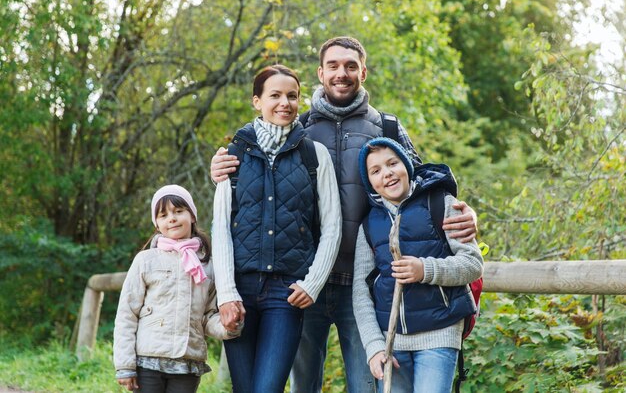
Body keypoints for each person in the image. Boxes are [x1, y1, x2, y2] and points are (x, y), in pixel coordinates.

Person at [210, 37, 477, 393]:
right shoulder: (297, 129)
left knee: (366, 383)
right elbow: (255, 189)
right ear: (320, 73)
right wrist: (221, 166)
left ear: (363, 72)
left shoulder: (388, 127)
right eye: (333, 66)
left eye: (351, 66)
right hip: (302, 282)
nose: (342, 73)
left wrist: (464, 209)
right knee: (303, 383)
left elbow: (423, 184)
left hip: (366, 285)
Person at [211, 64, 341, 393]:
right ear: (257, 101)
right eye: (275, 95)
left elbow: (332, 227)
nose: (285, 102)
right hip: (240, 290)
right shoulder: (234, 155)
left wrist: (312, 283)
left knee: (267, 388)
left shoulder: (315, 156)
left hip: (287, 293)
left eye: (292, 96)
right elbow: (221, 228)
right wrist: (225, 294)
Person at [354, 137, 483, 393]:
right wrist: (374, 346)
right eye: (376, 171)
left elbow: (472, 264)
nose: (387, 174)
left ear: (407, 165)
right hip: (391, 342)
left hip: (440, 333)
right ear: (370, 182)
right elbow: (360, 292)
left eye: (393, 163)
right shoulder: (368, 225)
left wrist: (425, 270)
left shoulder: (440, 204)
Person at [114, 184, 238, 393]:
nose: (171, 218)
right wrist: (125, 366)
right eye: (163, 215)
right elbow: (127, 314)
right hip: (147, 362)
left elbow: (208, 316)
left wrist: (229, 326)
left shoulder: (209, 264)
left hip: (187, 362)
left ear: (192, 216)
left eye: (178, 211)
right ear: (157, 223)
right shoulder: (146, 260)